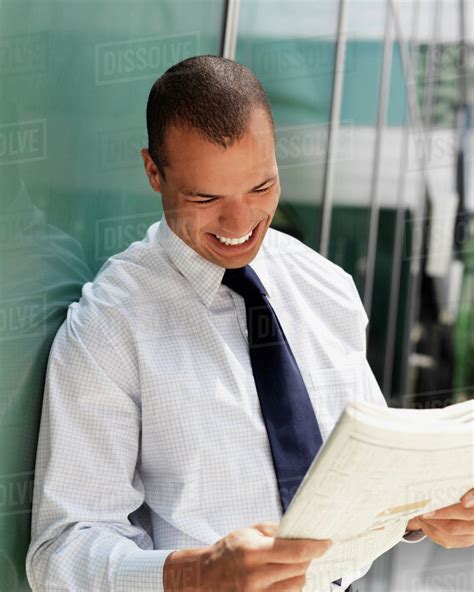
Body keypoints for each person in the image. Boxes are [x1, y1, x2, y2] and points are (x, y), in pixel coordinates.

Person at [26, 55, 474, 592]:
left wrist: (426, 510)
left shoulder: (325, 287)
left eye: (260, 188)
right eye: (206, 197)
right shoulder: (110, 329)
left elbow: (368, 476)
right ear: (153, 172)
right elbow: (59, 552)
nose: (240, 225)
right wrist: (196, 575)